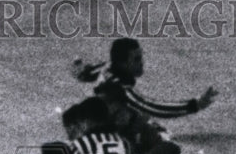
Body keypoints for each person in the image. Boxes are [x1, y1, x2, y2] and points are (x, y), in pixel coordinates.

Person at [74, 37, 218, 120]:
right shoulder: (120, 88)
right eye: (136, 59)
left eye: (141, 56)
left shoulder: (108, 66)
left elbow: (86, 73)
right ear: (122, 63)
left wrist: (79, 68)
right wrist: (194, 105)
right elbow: (151, 107)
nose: (142, 62)